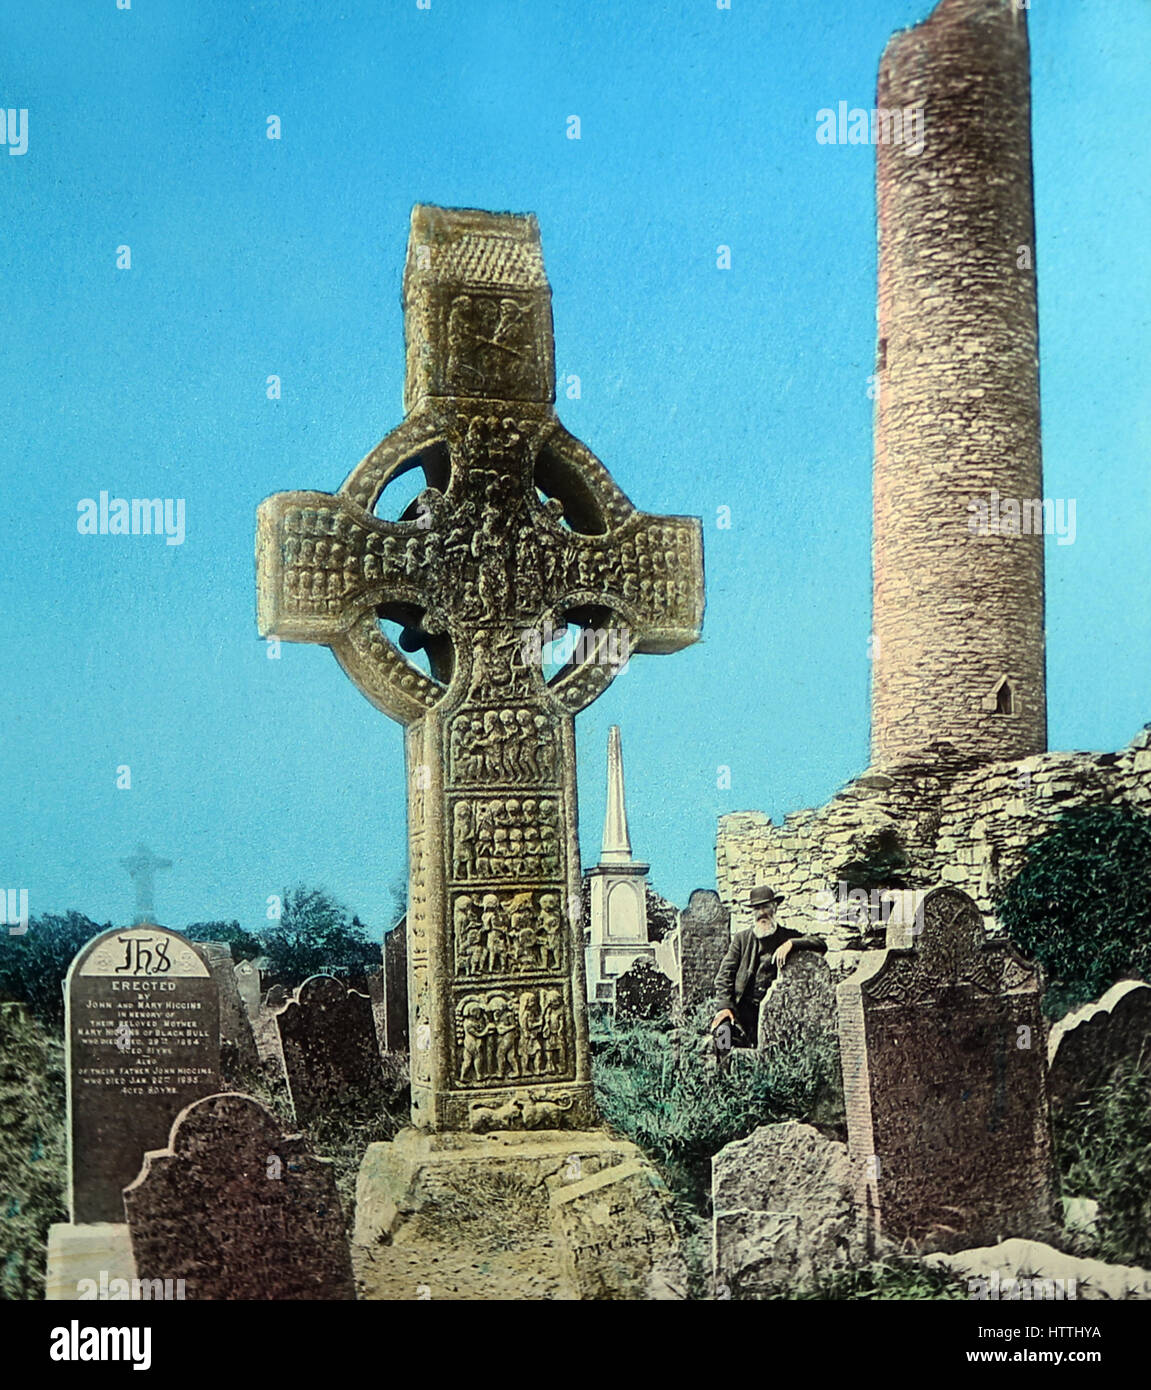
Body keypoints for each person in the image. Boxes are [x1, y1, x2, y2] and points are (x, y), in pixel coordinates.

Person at [710, 885, 827, 1047]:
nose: (762, 913)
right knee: (722, 1035)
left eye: (766, 906)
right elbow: (724, 976)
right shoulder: (741, 940)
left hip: (776, 1011)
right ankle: (722, 1071)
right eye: (757, 908)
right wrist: (725, 1007)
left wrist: (792, 943)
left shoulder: (787, 936)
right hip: (742, 1011)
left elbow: (821, 944)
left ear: (775, 907)